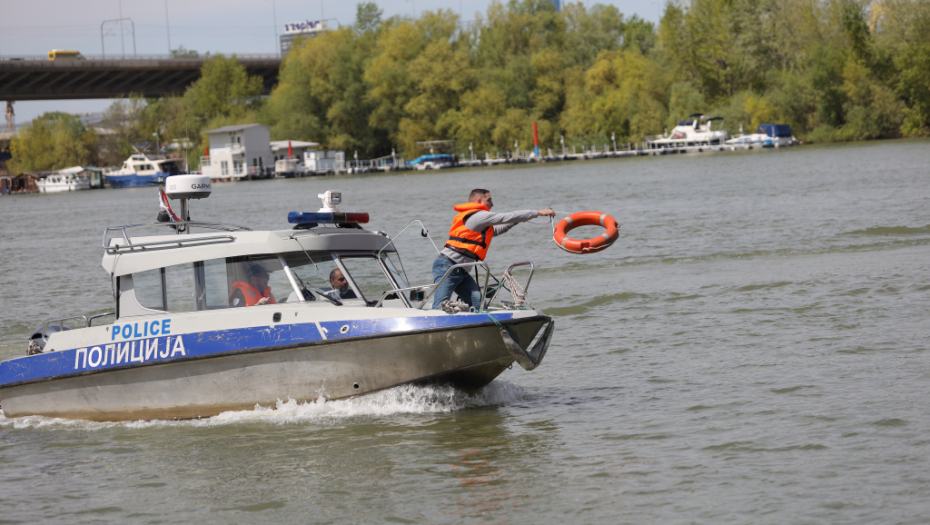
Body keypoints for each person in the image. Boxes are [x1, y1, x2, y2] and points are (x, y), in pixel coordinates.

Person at [432, 189, 554, 309]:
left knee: (479, 306)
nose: (492, 204)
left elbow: (495, 231)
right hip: (447, 267)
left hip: (461, 271)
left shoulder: (477, 218)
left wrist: (518, 220)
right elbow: (507, 217)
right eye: (489, 200)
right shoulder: (479, 216)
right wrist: (538, 212)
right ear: (479, 201)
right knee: (439, 307)